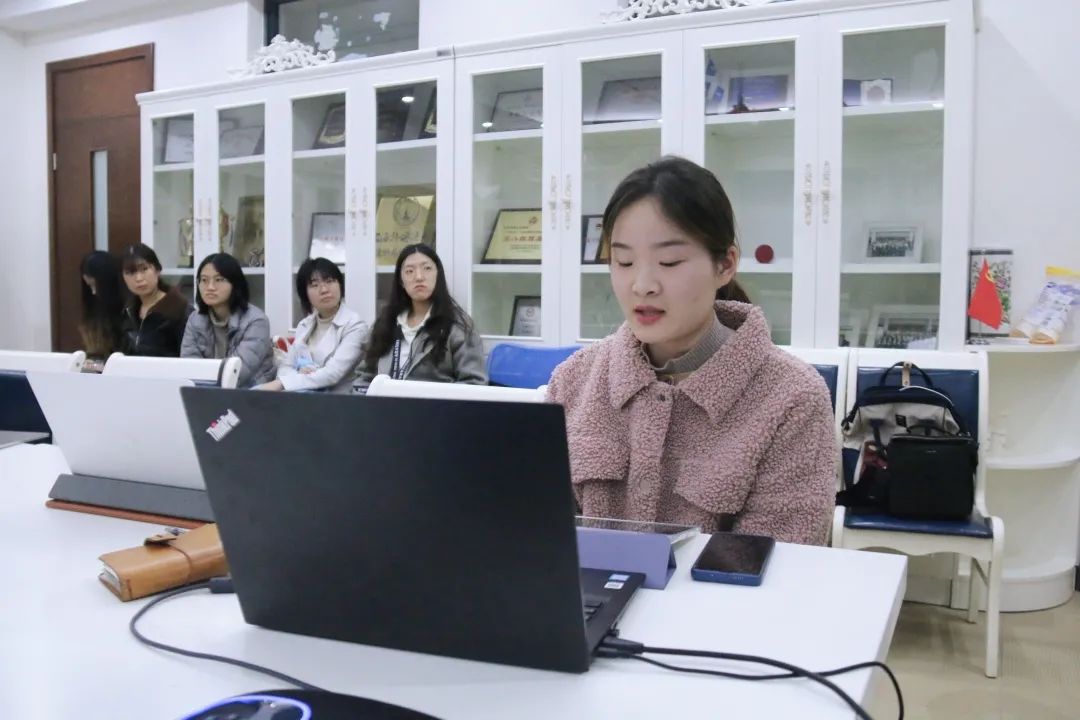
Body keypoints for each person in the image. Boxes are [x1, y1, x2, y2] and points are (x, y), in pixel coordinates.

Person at [546, 157, 836, 546]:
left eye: (669, 262)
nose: (642, 285)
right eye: (624, 261)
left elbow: (778, 558)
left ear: (725, 265)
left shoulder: (791, 397)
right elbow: (537, 529)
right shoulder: (574, 381)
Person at [355, 244, 486, 393]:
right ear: (401, 281)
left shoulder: (457, 326)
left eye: (427, 268)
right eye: (409, 271)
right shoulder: (385, 323)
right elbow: (363, 378)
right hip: (383, 405)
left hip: (434, 406)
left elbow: (474, 384)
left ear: (438, 275)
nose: (419, 277)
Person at [260, 258, 366, 394]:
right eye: (314, 285)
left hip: (336, 398)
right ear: (305, 294)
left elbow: (332, 374)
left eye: (330, 281)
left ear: (340, 285)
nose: (324, 290)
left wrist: (285, 382)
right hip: (301, 395)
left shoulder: (355, 325)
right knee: (255, 393)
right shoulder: (304, 325)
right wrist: (296, 376)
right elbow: (286, 366)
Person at [180, 252, 275, 388]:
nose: (210, 287)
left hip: (252, 391)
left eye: (218, 280)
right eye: (204, 280)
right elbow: (189, 366)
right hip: (207, 391)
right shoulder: (195, 319)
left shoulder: (256, 321)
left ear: (235, 283)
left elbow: (237, 372)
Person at [120, 244, 193, 357]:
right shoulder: (128, 310)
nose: (138, 278)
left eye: (144, 269)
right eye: (130, 273)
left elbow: (190, 356)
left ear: (157, 270)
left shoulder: (180, 309)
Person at [78, 250, 124, 364]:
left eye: (95, 286)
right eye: (90, 286)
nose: (93, 292)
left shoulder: (128, 310)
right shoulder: (94, 312)